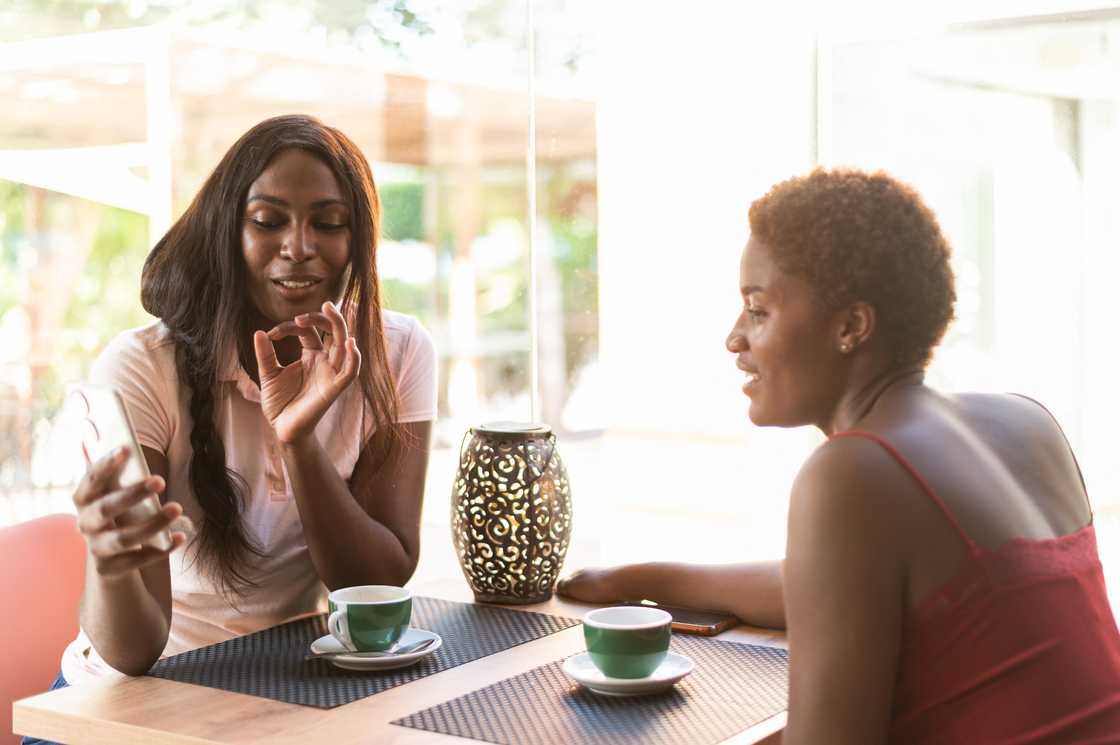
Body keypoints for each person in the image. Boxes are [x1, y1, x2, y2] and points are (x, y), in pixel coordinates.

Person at [558, 168, 1120, 743]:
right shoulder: (1026, 421)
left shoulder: (855, 471)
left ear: (851, 325)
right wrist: (640, 579)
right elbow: (840, 591)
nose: (734, 339)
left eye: (758, 310)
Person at [51, 115, 437, 694]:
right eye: (267, 221)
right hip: (130, 699)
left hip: (287, 679)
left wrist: (300, 441)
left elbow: (376, 581)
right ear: (227, 231)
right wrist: (111, 566)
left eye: (329, 223)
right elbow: (133, 654)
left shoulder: (397, 350)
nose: (300, 247)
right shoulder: (142, 367)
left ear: (358, 237)